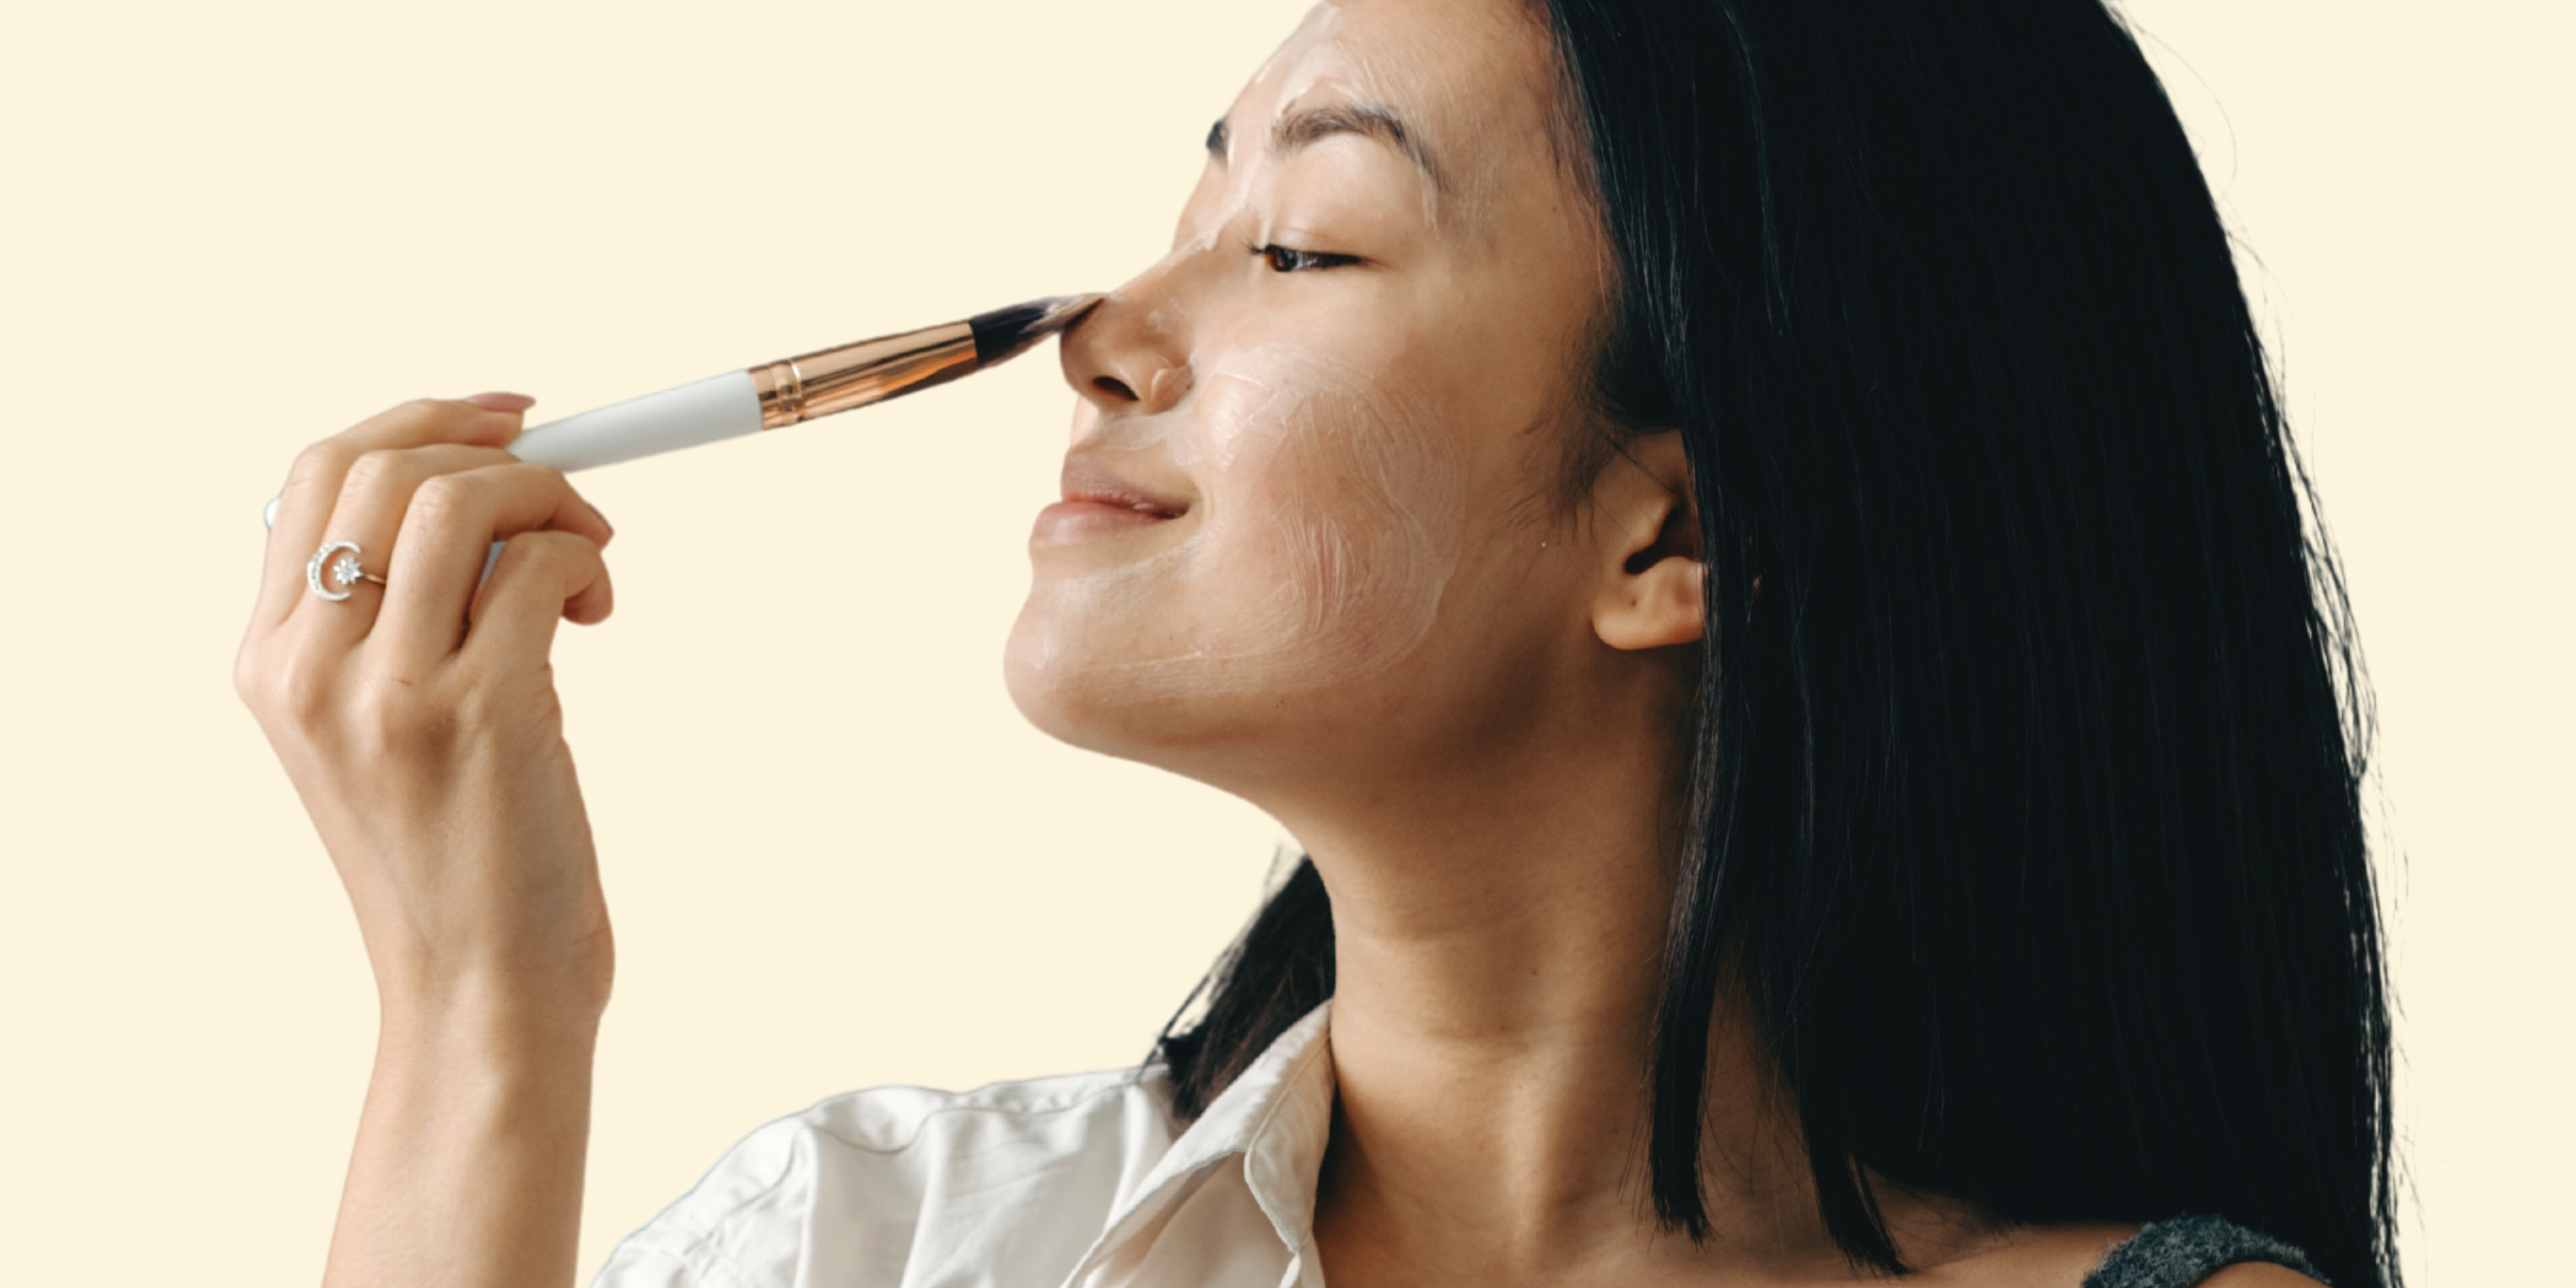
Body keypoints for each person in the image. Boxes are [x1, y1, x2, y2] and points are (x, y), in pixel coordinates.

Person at [232, 1, 2397, 1285]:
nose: (1099, 330)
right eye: (1188, 215)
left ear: (1678, 527)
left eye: (1300, 238)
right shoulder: (878, 1244)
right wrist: (480, 1012)